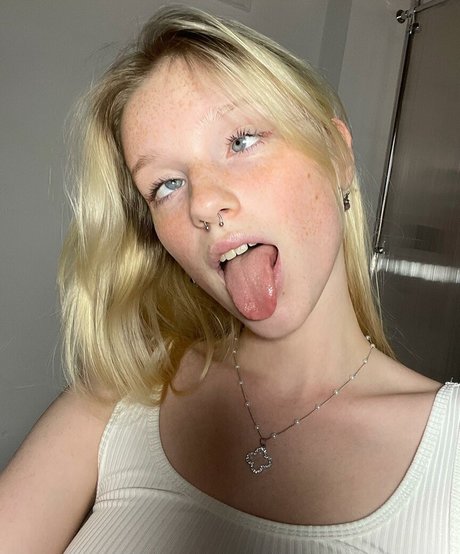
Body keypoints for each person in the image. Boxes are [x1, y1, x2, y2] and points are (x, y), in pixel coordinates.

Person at [0, 6, 457, 553]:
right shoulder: (122, 392)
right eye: (166, 184)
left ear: (336, 154)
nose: (202, 203)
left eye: (241, 141)